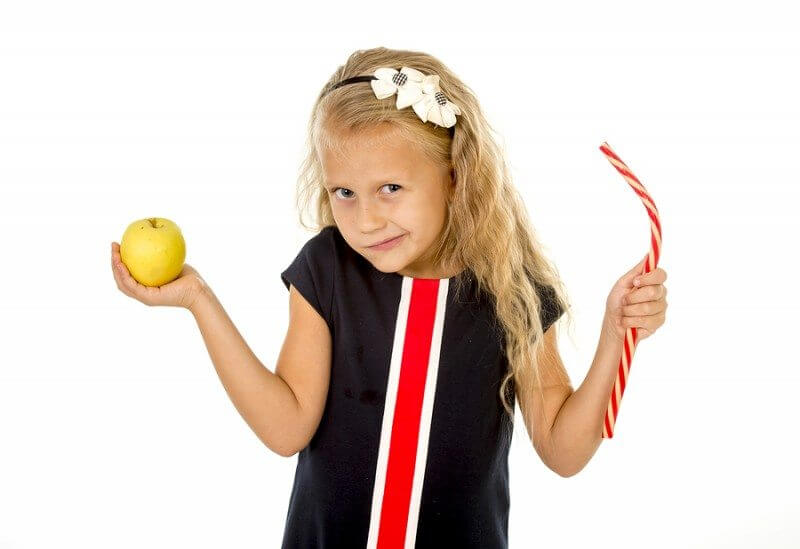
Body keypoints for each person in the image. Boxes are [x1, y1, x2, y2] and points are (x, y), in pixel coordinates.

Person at [109, 47, 669, 548]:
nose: (366, 218)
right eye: (344, 193)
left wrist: (615, 339)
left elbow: (563, 450)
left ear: (456, 177)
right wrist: (199, 299)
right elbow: (285, 429)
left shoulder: (509, 284)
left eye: (391, 189)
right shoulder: (326, 269)